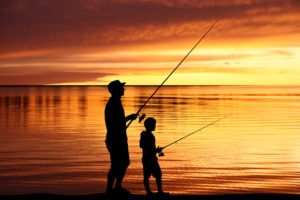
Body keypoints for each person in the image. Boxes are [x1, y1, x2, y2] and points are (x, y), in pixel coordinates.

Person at [105, 80, 137, 194]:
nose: (124, 89)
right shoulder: (114, 103)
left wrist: (128, 119)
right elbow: (115, 122)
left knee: (123, 163)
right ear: (116, 90)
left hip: (118, 137)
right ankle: (111, 189)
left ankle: (116, 187)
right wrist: (129, 117)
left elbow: (117, 123)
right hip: (115, 139)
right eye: (122, 88)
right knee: (117, 165)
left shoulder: (116, 102)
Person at [140, 117, 168, 196]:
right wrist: (155, 151)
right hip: (149, 159)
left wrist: (156, 150)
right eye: (154, 125)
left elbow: (145, 146)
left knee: (154, 174)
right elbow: (143, 146)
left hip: (150, 158)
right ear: (149, 126)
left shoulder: (147, 135)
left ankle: (154, 192)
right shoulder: (146, 135)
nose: (155, 126)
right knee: (150, 175)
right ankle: (152, 192)